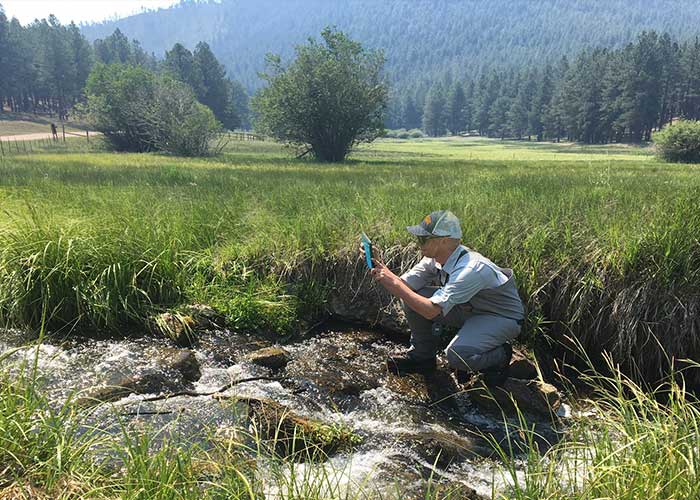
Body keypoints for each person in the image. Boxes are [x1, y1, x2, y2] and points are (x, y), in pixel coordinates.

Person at [365, 210, 525, 384]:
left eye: (423, 239)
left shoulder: (472, 269)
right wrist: (382, 269)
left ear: (444, 241)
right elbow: (406, 286)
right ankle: (422, 357)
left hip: (500, 317)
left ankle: (500, 355)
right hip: (470, 310)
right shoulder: (434, 259)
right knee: (413, 297)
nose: (419, 243)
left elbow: (430, 311)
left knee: (457, 356)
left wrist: (393, 283)